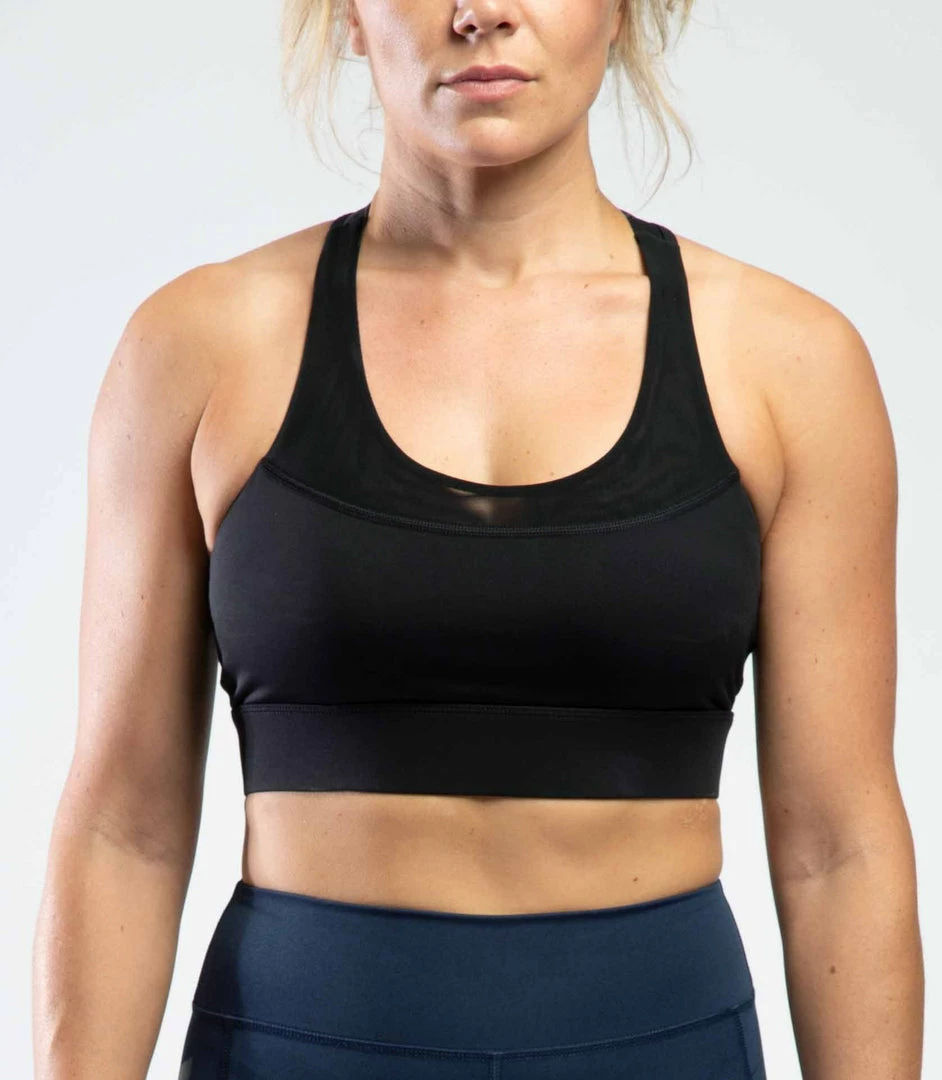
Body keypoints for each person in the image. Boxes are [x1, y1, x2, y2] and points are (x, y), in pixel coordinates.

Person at [33, 0, 923, 1077]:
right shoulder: (199, 347)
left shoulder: (790, 365)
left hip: (659, 1048)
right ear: (350, 15)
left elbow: (838, 845)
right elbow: (124, 823)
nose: (483, 11)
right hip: (295, 1049)